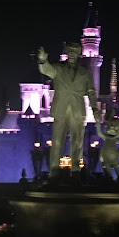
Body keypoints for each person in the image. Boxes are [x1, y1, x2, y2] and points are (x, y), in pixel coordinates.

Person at [37, 42, 101, 179]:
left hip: (77, 109)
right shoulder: (58, 68)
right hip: (61, 108)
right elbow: (46, 70)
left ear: (79, 54)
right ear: (67, 52)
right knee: (57, 140)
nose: (72, 53)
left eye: (75, 51)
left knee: (77, 141)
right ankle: (54, 171)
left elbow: (91, 91)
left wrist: (95, 108)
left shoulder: (85, 72)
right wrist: (43, 60)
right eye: (70, 50)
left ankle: (76, 171)